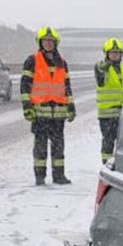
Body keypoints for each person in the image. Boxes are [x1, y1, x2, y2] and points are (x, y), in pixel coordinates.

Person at [20, 27, 76, 185]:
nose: (48, 44)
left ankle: (59, 176)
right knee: (40, 148)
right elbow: (25, 86)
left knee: (58, 148)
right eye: (45, 41)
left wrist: (71, 106)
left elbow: (67, 86)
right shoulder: (32, 60)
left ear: (55, 43)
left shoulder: (62, 63)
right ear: (40, 42)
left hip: (58, 114)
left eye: (51, 41)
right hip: (40, 113)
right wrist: (27, 106)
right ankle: (40, 176)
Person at [94, 37, 123, 163]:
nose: (115, 55)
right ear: (107, 53)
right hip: (107, 114)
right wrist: (106, 66)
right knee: (108, 141)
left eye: (118, 52)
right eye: (112, 52)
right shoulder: (101, 66)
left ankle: (120, 166)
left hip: (122, 113)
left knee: (122, 142)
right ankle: (106, 165)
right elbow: (100, 79)